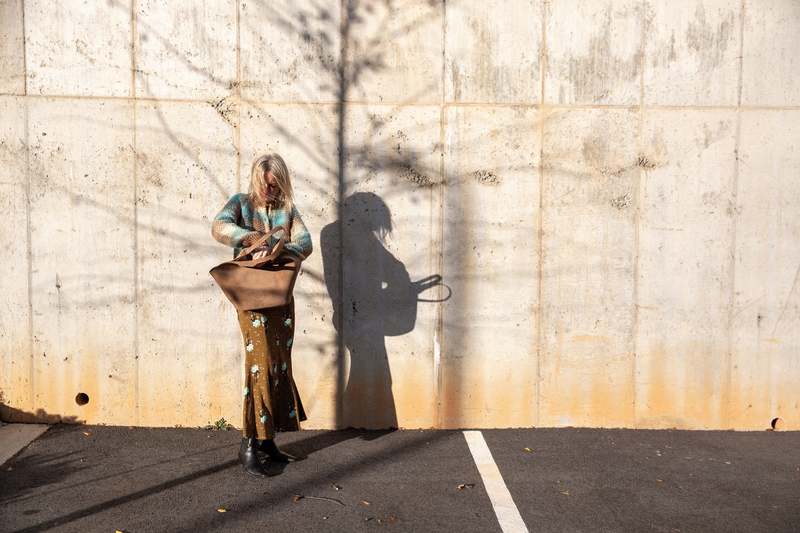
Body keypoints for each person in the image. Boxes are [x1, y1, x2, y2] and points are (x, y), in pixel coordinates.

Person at [210, 152, 313, 477]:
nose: (270, 190)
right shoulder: (241, 203)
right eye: (265, 184)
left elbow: (306, 242)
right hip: (252, 298)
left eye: (275, 184)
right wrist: (250, 239)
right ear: (257, 180)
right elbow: (219, 227)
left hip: (280, 299)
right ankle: (249, 444)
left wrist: (280, 248)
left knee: (279, 364)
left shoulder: (288, 210)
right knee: (259, 366)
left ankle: (268, 442)